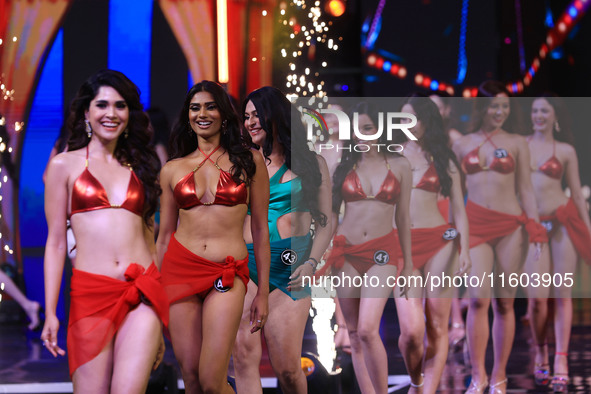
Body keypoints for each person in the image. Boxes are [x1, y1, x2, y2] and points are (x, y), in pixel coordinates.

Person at [42, 69, 167, 393]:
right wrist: (50, 312)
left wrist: (159, 302)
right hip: (90, 293)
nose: (111, 113)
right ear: (86, 111)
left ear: (129, 114)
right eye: (102, 105)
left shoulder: (143, 165)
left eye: (120, 105)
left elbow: (149, 237)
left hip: (142, 290)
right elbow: (56, 242)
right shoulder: (63, 166)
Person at [156, 80, 270, 394]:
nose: (202, 114)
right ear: (187, 116)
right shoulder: (172, 169)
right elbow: (164, 236)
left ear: (223, 113)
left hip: (227, 273)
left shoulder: (250, 161)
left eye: (210, 106)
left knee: (210, 379)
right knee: (191, 379)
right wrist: (154, 291)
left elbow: (260, 230)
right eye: (195, 108)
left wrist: (261, 293)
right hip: (179, 271)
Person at [232, 86, 332, 393]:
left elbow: (327, 222)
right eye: (246, 117)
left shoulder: (313, 163)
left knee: (288, 369)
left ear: (275, 115)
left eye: (256, 115)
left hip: (292, 269)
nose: (250, 122)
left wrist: (312, 263)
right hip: (246, 267)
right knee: (244, 360)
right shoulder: (241, 164)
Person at [452, 81, 546, 394]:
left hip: (511, 227)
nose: (500, 112)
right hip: (475, 224)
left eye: (505, 106)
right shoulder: (463, 143)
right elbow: (455, 193)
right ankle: (477, 375)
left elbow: (525, 189)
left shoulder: (518, 142)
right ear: (482, 107)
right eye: (494, 106)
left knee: (505, 303)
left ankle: (499, 376)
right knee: (478, 299)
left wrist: (534, 226)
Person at [317, 101, 414, 393]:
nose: (361, 135)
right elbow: (330, 217)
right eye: (356, 129)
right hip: (346, 253)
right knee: (356, 334)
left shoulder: (399, 165)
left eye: (368, 128)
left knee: (370, 329)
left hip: (382, 254)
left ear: (380, 129)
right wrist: (317, 255)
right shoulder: (341, 166)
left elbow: (404, 216)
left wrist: (408, 264)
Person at [394, 95, 471, 393]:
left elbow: (459, 211)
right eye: (401, 119)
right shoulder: (390, 154)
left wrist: (464, 249)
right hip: (402, 247)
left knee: (437, 326)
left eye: (411, 118)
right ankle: (417, 380)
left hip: (440, 242)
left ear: (426, 122)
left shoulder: (444, 159)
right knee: (412, 332)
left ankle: (426, 390)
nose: (405, 124)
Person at [524, 95, 591, 392]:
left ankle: (561, 359)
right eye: (535, 110)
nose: (538, 115)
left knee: (562, 293)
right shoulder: (519, 145)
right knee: (537, 299)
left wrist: (588, 231)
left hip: (563, 222)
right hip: (533, 227)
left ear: (555, 116)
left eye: (544, 110)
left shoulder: (565, 150)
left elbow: (577, 195)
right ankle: (541, 352)